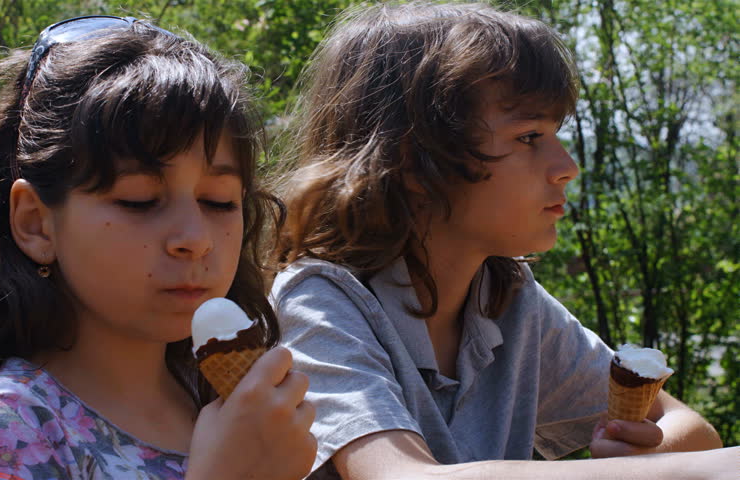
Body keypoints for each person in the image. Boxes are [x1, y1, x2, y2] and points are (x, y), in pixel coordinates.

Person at [270, 3, 735, 479]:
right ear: (412, 160)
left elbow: (693, 431)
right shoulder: (320, 300)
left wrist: (645, 456)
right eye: (529, 137)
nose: (567, 167)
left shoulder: (506, 296)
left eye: (555, 134)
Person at [0, 16, 316, 480]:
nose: (195, 239)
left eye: (218, 201)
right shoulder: (5, 426)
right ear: (36, 224)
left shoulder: (228, 405)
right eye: (139, 200)